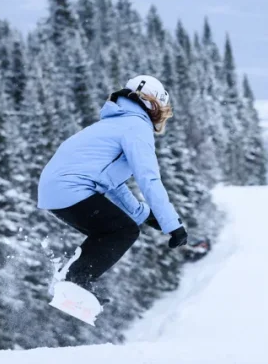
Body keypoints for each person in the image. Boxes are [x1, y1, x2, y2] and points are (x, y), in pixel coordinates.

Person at [37, 75, 188, 300]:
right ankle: (74, 283)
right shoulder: (136, 127)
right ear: (152, 104)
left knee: (108, 232)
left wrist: (144, 215)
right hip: (71, 189)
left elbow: (111, 184)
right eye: (161, 109)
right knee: (122, 231)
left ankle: (69, 280)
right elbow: (149, 180)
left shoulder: (115, 123)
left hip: (55, 190)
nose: (161, 117)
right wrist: (172, 224)